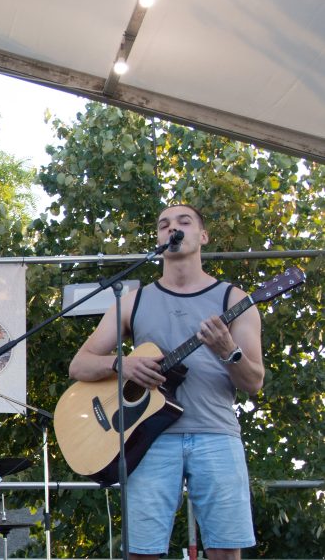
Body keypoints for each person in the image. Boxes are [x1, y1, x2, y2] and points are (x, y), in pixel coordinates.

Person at [69, 204, 264, 560]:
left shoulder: (235, 299)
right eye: (164, 225)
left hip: (217, 435)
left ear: (203, 236)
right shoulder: (133, 301)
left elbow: (254, 382)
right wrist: (122, 364)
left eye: (184, 222)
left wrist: (229, 351)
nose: (173, 227)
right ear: (159, 239)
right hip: (148, 439)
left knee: (225, 552)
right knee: (142, 553)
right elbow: (79, 365)